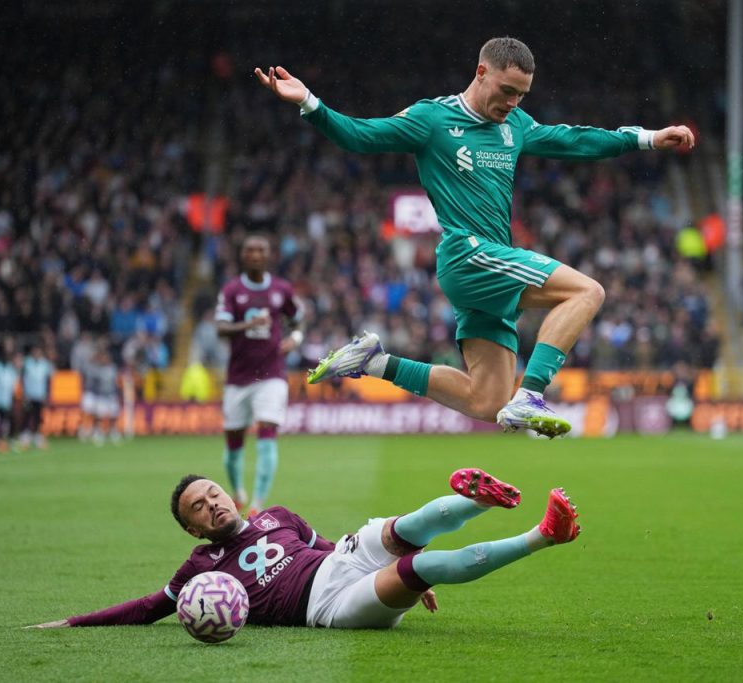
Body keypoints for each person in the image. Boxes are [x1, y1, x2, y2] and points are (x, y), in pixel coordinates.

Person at [256, 37, 696, 438]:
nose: (513, 102)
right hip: (469, 254)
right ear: (481, 72)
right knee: (586, 292)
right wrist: (310, 103)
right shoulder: (433, 119)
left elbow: (573, 140)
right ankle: (534, 394)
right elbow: (359, 136)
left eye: (522, 94)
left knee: (488, 402)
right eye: (507, 90)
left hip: (488, 268)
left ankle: (375, 361)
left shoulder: (515, 125)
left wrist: (648, 138)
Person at [28, 467, 579, 630]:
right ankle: (542, 535)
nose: (211, 504)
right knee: (423, 566)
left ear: (229, 494)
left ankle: (480, 501)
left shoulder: (278, 516)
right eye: (197, 508)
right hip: (329, 607)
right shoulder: (200, 570)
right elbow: (151, 608)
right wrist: (76, 622)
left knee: (396, 532)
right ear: (193, 530)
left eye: (212, 493)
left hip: (339, 559)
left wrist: (376, 553)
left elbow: (328, 544)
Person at [215, 234, 304, 516]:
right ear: (242, 256)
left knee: (267, 430)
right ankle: (239, 491)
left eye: (260, 250)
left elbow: (299, 316)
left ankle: (256, 505)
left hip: (271, 373)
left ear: (268, 255)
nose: (255, 255)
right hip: (238, 376)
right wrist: (249, 323)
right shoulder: (232, 290)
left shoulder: (282, 289)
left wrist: (296, 338)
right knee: (233, 442)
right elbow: (221, 328)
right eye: (249, 250)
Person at [79, 344, 122, 445]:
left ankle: (113, 431)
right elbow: (94, 383)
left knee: (113, 414)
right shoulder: (97, 369)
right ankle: (98, 432)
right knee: (99, 415)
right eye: (103, 358)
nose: (104, 360)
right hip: (101, 395)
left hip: (111, 394)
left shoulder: (113, 368)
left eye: (106, 358)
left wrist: (117, 393)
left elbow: (116, 382)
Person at [20, 344, 53, 450]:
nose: (36, 354)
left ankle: (37, 435)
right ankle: (25, 435)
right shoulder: (27, 363)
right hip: (29, 395)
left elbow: (48, 380)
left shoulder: (45, 364)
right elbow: (22, 379)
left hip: (40, 395)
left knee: (38, 416)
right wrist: (23, 393)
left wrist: (47, 394)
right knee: (27, 415)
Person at [0, 351, 21, 452]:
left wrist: (15, 396)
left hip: (7, 399)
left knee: (10, 421)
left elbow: (14, 384)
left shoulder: (11, 369)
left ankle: (9, 440)